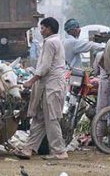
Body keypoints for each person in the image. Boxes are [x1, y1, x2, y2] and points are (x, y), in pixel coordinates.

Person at [20, 17, 68, 160]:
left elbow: (45, 66)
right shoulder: (55, 41)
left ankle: (59, 151)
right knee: (39, 118)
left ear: (49, 29)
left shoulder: (50, 42)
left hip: (52, 87)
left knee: (52, 119)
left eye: (42, 28)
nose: (41, 31)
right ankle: (29, 149)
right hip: (49, 86)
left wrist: (31, 81)